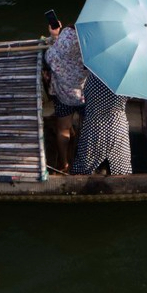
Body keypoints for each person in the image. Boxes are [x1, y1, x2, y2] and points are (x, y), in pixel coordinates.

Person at [44, 13, 86, 169]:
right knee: (85, 125)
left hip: (63, 93)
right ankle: (83, 158)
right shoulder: (95, 42)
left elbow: (50, 58)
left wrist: (55, 36)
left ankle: (64, 163)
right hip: (84, 93)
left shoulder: (68, 34)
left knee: (63, 129)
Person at [74, 69, 132, 176]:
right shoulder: (122, 79)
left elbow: (84, 96)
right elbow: (129, 96)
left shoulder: (91, 76)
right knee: (120, 172)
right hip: (117, 126)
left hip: (94, 126)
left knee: (85, 168)